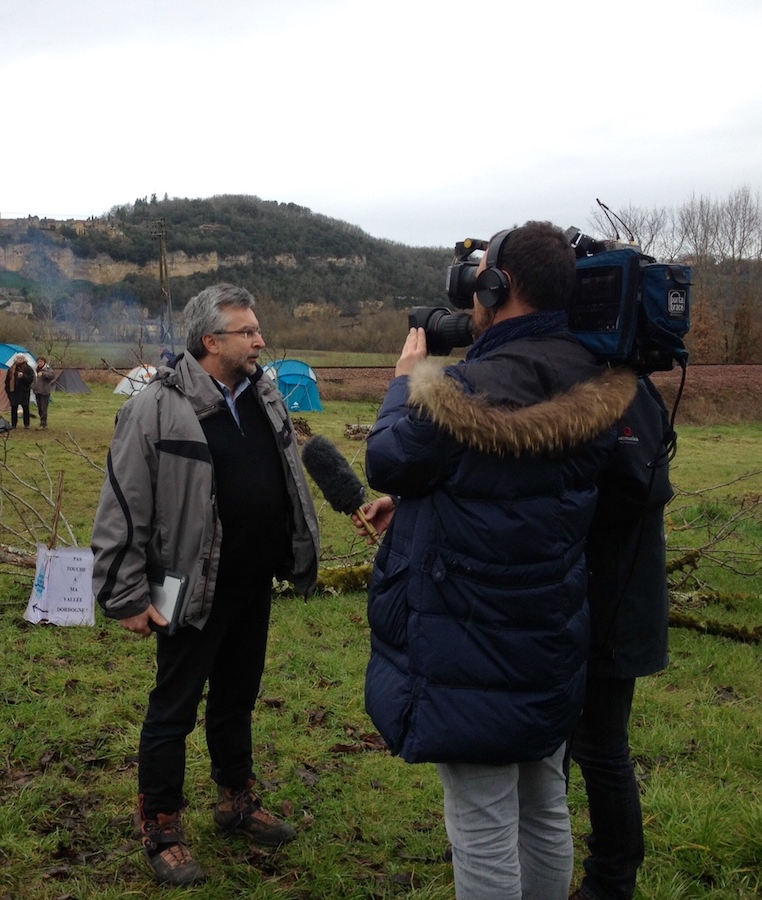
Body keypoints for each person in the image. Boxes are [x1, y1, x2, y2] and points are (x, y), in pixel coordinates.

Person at [357, 222, 636, 899]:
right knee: (543, 803)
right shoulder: (593, 377)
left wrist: (404, 382)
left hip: (470, 645)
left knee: (481, 827)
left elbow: (388, 457)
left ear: (496, 287)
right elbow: (499, 490)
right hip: (549, 634)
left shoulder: (462, 391)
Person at [91, 283, 320, 887]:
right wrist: (125, 593)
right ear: (210, 341)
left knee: (237, 699)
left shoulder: (264, 394)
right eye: (248, 332)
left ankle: (235, 799)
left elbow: (288, 476)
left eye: (257, 329)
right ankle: (162, 824)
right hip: (189, 586)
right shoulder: (158, 407)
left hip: (252, 580)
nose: (260, 340)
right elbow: (123, 502)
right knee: (174, 709)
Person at [568, 376, 674, 900]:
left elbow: (636, 484)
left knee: (602, 746)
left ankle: (611, 880)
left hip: (613, 606)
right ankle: (538, 850)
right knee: (561, 743)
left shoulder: (622, 390)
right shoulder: (624, 385)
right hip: (592, 600)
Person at [5, 354, 35, 430]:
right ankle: (14, 424)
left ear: (24, 359)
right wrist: (8, 390)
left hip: (24, 391)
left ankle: (26, 424)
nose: (20, 359)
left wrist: (23, 376)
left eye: (21, 358)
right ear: (16, 359)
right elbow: (7, 380)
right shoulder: (11, 368)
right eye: (18, 358)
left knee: (25, 407)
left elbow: (31, 379)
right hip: (13, 391)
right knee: (14, 408)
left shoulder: (28, 368)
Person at [32, 356, 57, 429]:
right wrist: (33, 386)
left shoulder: (48, 369)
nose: (39, 363)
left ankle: (43, 424)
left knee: (43, 408)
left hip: (45, 391)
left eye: (41, 362)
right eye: (38, 362)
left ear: (44, 362)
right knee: (39, 408)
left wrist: (43, 374)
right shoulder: (36, 370)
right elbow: (34, 380)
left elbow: (52, 376)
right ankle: (43, 423)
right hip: (37, 391)